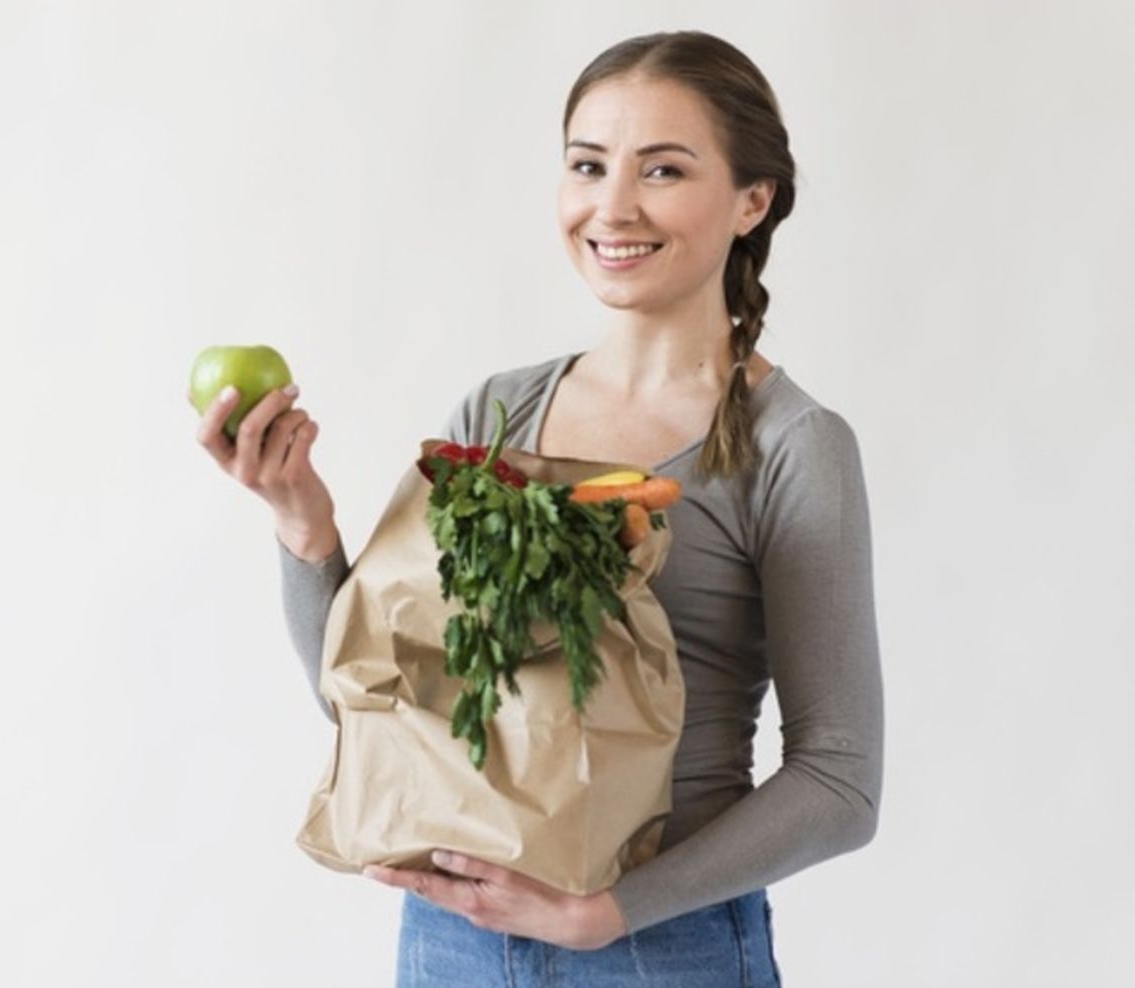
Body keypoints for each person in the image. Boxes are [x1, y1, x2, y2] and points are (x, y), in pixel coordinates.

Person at [193, 29, 882, 987]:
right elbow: (384, 703)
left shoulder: (792, 446)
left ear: (752, 200)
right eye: (588, 165)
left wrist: (609, 914)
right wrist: (302, 524)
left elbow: (840, 783)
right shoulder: (498, 414)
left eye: (664, 170)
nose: (614, 206)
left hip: (662, 951)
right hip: (455, 946)